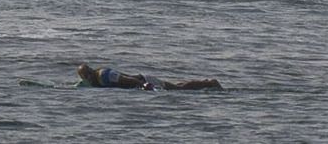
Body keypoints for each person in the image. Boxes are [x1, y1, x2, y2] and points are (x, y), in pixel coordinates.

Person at [77, 64, 223, 91]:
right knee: (174, 86)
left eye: (88, 74)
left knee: (178, 89)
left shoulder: (105, 75)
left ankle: (209, 83)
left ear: (91, 71)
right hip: (139, 84)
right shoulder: (92, 82)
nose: (87, 78)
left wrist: (143, 85)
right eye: (84, 76)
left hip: (144, 80)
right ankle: (205, 83)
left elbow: (128, 80)